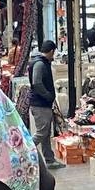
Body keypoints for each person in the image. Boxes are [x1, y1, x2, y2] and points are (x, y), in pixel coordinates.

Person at [28, 40, 65, 169]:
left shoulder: (39, 62)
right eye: (53, 52)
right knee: (42, 133)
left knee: (45, 133)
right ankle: (25, 152)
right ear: (51, 51)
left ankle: (49, 159)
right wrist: (48, 95)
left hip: (42, 103)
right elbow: (37, 83)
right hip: (40, 104)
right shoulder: (40, 64)